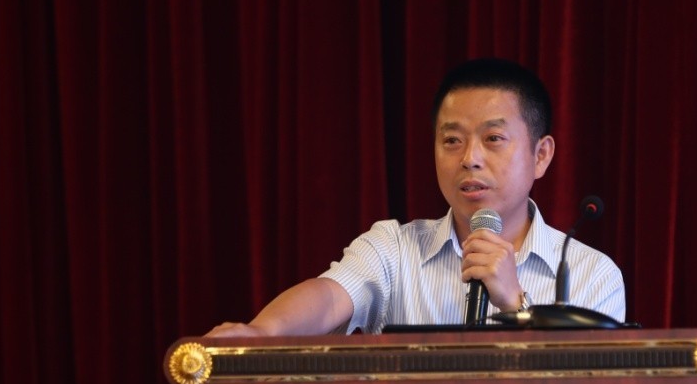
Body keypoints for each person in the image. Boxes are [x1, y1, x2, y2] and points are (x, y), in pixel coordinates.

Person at [206, 58, 625, 336]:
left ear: (541, 155)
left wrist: (517, 305)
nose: (470, 158)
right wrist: (261, 332)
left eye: (493, 138)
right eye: (452, 140)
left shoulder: (592, 274)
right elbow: (330, 295)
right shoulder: (395, 249)